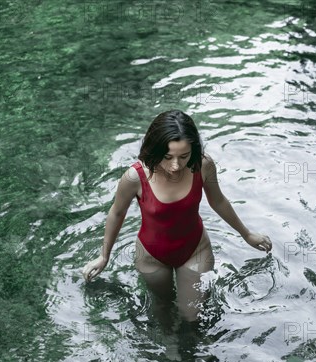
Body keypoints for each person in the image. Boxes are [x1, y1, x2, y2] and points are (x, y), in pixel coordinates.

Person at [82, 109, 272, 326]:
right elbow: (117, 212)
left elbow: (218, 201)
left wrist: (247, 234)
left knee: (192, 317)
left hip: (195, 251)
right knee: (161, 309)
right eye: (167, 157)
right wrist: (104, 256)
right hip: (151, 256)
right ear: (155, 149)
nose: (176, 165)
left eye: (184, 156)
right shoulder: (135, 177)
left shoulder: (203, 165)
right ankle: (170, 350)